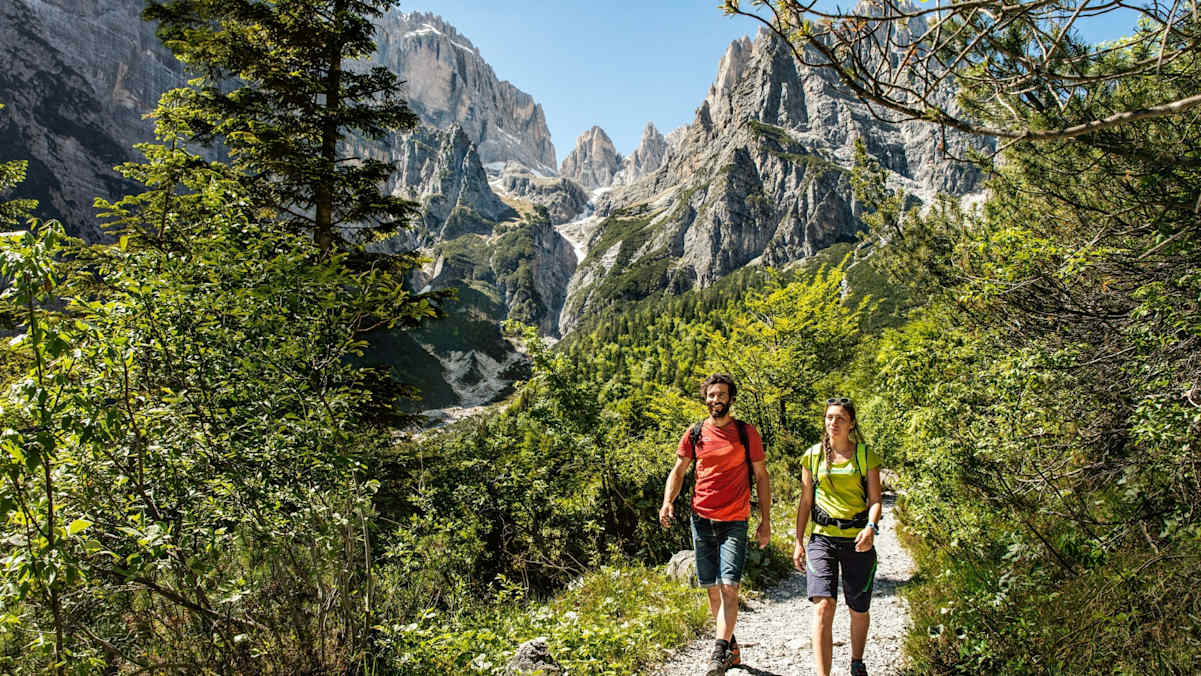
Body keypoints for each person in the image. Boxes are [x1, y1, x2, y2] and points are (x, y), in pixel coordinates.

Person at [660, 373, 772, 676]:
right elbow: (679, 470)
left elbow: (761, 476)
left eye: (721, 395)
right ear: (705, 398)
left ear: (731, 398)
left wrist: (765, 520)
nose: (716, 400)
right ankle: (730, 647)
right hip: (701, 519)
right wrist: (668, 501)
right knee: (712, 589)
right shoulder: (695, 433)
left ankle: (719, 653)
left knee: (730, 587)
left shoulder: (746, 433)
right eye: (711, 395)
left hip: (735, 520)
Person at [794, 397, 882, 676]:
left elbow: (875, 500)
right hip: (822, 539)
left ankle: (857, 662)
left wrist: (871, 528)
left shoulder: (865, 455)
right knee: (823, 605)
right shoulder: (813, 455)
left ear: (851, 423)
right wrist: (798, 541)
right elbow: (806, 501)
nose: (833, 422)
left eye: (840, 418)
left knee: (858, 607)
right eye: (829, 417)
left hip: (858, 538)